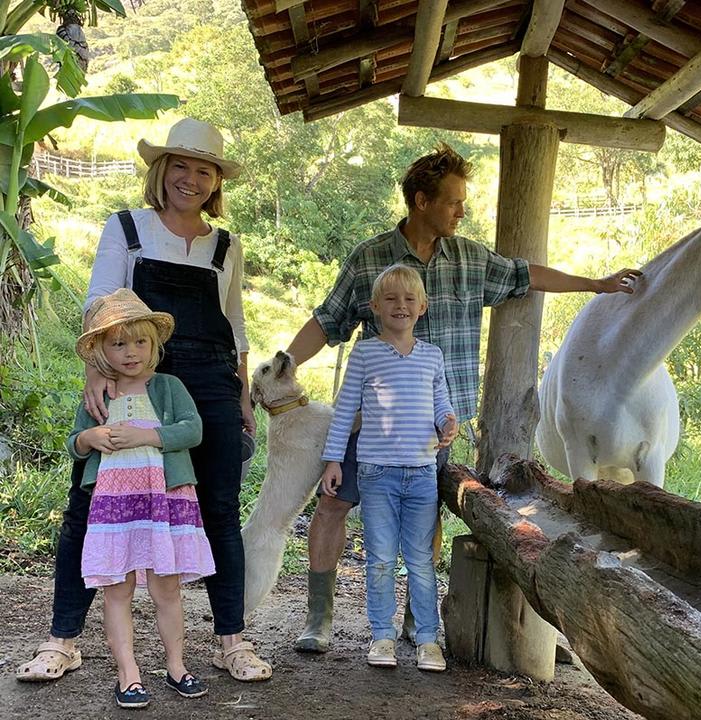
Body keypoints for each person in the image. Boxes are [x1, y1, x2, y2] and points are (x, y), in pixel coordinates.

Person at [287, 142, 640, 653]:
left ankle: (414, 619)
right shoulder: (370, 259)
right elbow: (327, 321)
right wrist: (283, 368)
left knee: (423, 517)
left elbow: (528, 274)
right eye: (453, 201)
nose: (462, 210)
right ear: (421, 201)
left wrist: (594, 283)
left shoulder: (471, 259)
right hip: (371, 422)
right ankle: (319, 618)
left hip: (434, 427)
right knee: (333, 505)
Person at [16, 118, 271, 684]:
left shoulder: (225, 245)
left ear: (216, 181)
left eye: (204, 169)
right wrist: (95, 373)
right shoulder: (126, 228)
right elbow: (98, 306)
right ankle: (62, 640)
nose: (191, 178)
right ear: (161, 170)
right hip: (133, 372)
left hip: (209, 379)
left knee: (218, 507)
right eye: (180, 165)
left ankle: (232, 640)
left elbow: (236, 324)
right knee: (89, 507)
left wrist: (243, 396)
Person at [72, 289, 215, 707]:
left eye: (140, 342)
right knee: (117, 588)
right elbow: (74, 444)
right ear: (101, 349)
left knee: (166, 588)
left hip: (163, 501)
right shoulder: (99, 394)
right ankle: (128, 674)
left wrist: (148, 436)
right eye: (118, 343)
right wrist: (87, 438)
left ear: (155, 345)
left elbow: (193, 429)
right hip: (116, 505)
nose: (131, 352)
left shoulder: (168, 387)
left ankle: (176, 666)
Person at [320, 264, 457, 671]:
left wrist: (448, 422)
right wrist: (332, 459)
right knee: (379, 557)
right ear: (375, 306)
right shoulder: (365, 352)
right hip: (376, 472)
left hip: (421, 472)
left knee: (420, 558)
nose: (401, 306)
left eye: (409, 299)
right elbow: (345, 409)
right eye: (392, 299)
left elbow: (441, 402)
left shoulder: (432, 356)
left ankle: (428, 640)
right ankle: (382, 636)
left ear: (423, 307)